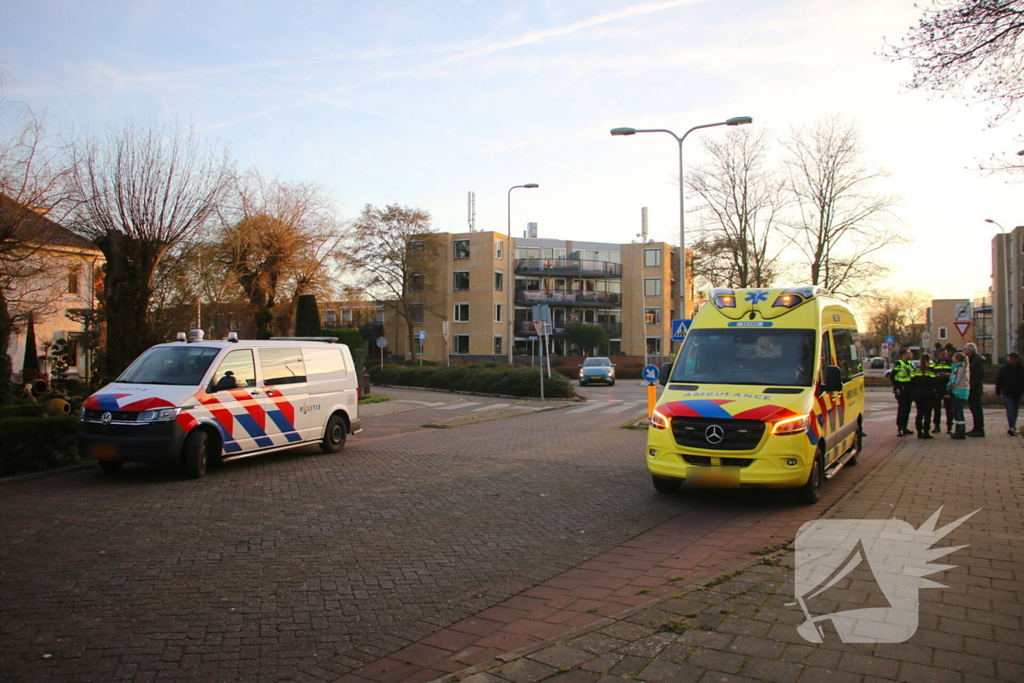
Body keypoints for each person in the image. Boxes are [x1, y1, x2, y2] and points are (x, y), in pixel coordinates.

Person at [995, 352, 1024, 436]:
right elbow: (999, 380)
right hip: (1007, 392)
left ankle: (1013, 426)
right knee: (1010, 409)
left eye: (1012, 358)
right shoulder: (1004, 368)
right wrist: (998, 392)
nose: (1010, 360)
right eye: (1009, 358)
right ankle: (1012, 426)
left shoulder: (1021, 369)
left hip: (1018, 392)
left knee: (1015, 410)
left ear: (1016, 359)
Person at [888, 347, 914, 436]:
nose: (910, 354)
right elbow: (892, 376)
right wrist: (897, 387)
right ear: (903, 354)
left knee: (908, 409)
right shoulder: (899, 363)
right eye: (908, 353)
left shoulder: (910, 364)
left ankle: (905, 427)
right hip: (902, 388)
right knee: (902, 408)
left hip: (909, 388)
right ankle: (900, 428)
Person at [910, 353, 936, 439]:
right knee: (927, 413)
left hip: (918, 393)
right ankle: (926, 431)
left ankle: (919, 431)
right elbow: (933, 383)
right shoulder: (930, 370)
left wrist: (913, 393)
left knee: (919, 413)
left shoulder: (916, 370)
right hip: (928, 394)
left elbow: (912, 382)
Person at [963, 343, 986, 437]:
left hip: (975, 389)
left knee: (976, 408)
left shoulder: (976, 361)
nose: (964, 351)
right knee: (974, 408)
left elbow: (978, 374)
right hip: (973, 388)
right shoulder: (972, 359)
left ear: (970, 350)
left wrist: (971, 384)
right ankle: (976, 428)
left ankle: (979, 429)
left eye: (965, 349)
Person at [930, 349, 953, 434]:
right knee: (936, 408)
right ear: (939, 355)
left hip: (947, 388)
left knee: (949, 408)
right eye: (943, 354)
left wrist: (949, 375)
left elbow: (955, 373)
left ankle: (949, 427)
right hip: (937, 387)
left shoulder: (951, 362)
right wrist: (936, 375)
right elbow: (930, 373)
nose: (944, 356)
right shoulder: (934, 363)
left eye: (946, 354)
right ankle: (936, 426)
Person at [948, 352, 969, 440]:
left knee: (958, 411)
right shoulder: (963, 367)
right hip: (962, 391)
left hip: (958, 391)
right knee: (956, 410)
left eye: (954, 357)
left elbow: (956, 380)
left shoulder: (959, 368)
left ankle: (961, 430)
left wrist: (950, 386)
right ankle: (959, 429)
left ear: (957, 359)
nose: (952, 358)